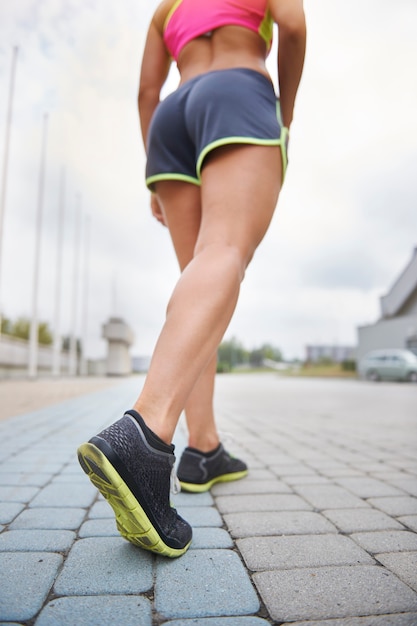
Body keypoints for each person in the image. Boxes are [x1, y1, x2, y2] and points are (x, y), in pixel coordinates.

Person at [78, 0, 306, 558]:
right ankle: (146, 435)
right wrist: (286, 112)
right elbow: (295, 25)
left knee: (199, 282)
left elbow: (144, 93)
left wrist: (153, 177)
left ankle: (204, 448)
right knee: (225, 252)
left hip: (170, 120)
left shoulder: (166, 8)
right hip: (239, 93)